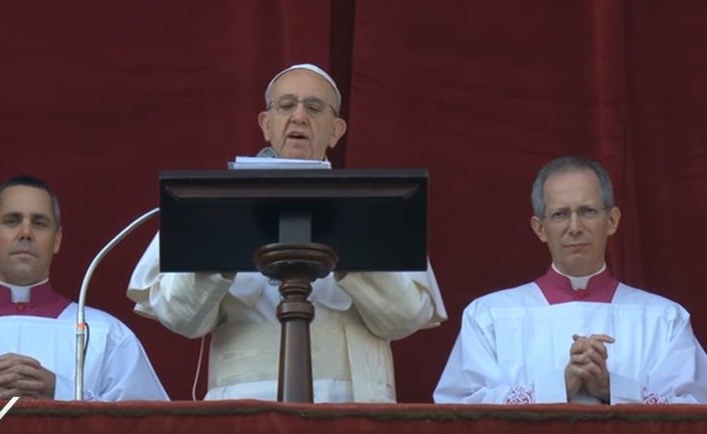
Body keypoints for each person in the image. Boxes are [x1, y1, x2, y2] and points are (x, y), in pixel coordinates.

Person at [126, 63, 447, 403]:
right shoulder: (214, 206)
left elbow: (404, 320)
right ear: (266, 124)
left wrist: (351, 248)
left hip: (351, 406)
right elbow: (181, 319)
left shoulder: (375, 210)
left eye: (315, 108)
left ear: (336, 131)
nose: (299, 117)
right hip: (241, 409)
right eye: (286, 105)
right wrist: (221, 242)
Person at [432, 156, 707, 405]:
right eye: (560, 214)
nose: (575, 227)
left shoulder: (664, 319)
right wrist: (556, 387)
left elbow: (694, 412)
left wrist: (612, 388)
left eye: (588, 211)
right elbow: (459, 410)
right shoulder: (489, 317)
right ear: (540, 228)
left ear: (612, 221)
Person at [0, 175, 169, 402]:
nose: (26, 232)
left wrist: (61, 392)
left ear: (57, 239)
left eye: (39, 223)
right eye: (12, 220)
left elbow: (146, 425)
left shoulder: (107, 336)